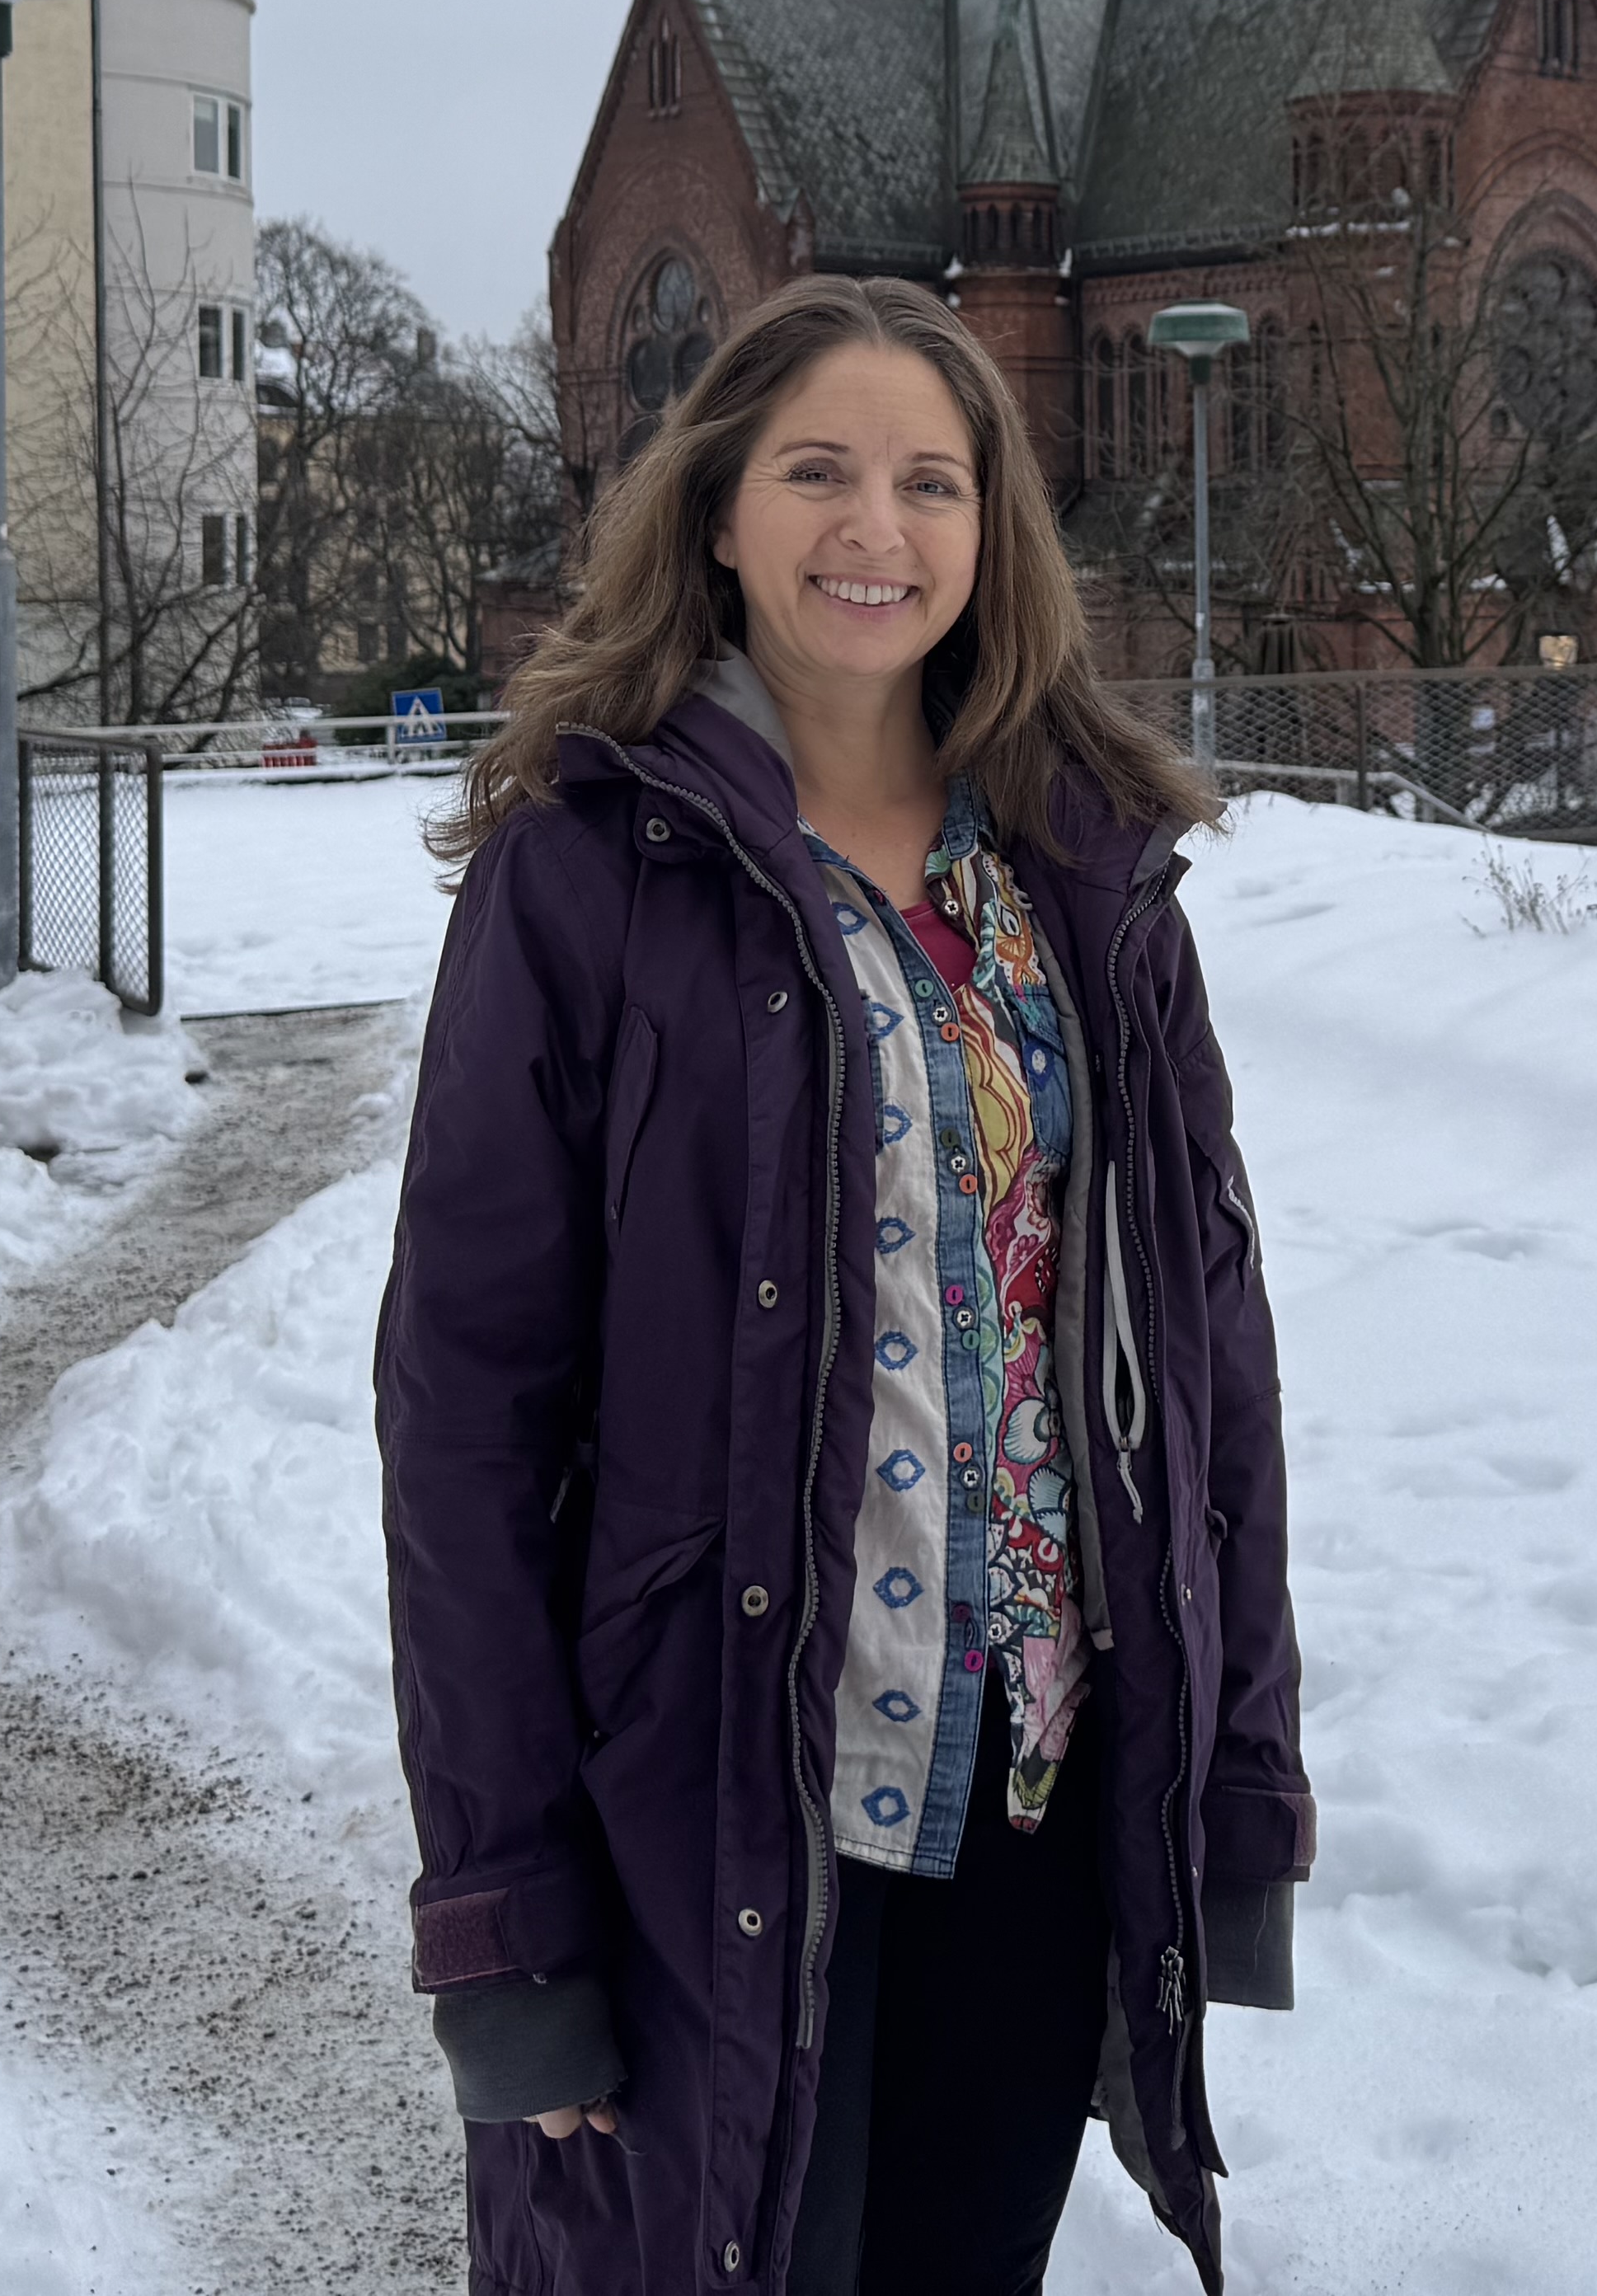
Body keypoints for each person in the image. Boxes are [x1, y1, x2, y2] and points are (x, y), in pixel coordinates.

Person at [381, 275, 1312, 2296]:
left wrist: (1233, 1785)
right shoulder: (589, 874)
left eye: (929, 482)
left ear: (995, 539)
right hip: (713, 1813)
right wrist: (510, 1917)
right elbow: (465, 1422)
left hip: (1034, 1794)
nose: (873, 529)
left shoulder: (1088, 878)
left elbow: (1208, 1364)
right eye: (816, 472)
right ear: (717, 510)